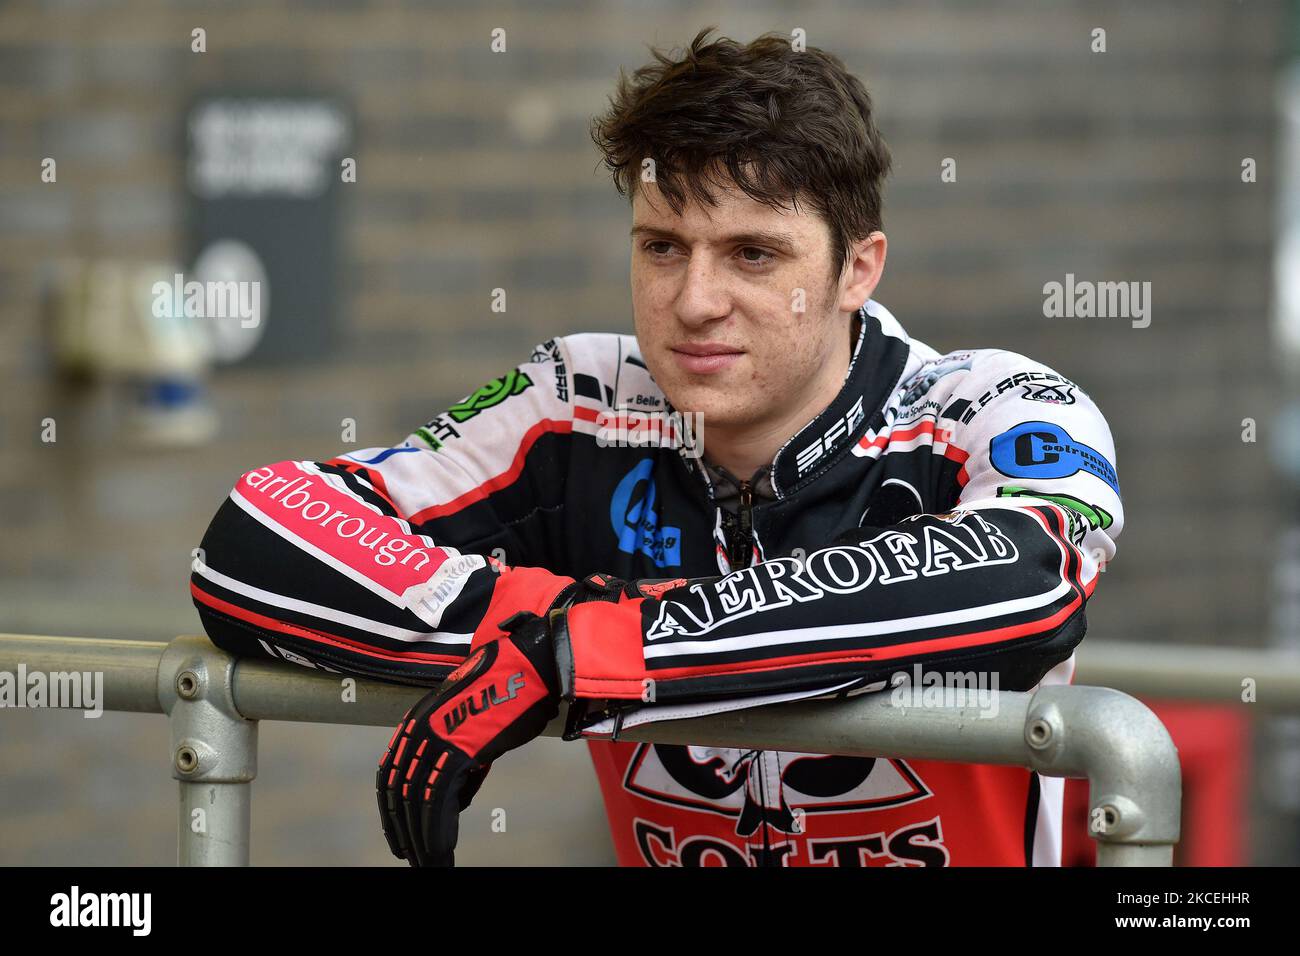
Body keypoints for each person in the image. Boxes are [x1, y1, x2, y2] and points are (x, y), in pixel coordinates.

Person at [189, 28, 1123, 867]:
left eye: (754, 254)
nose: (693, 301)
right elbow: (256, 539)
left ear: (857, 269)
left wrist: (595, 651)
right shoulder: (579, 402)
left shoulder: (987, 405)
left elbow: (1026, 582)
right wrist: (544, 631)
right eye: (663, 246)